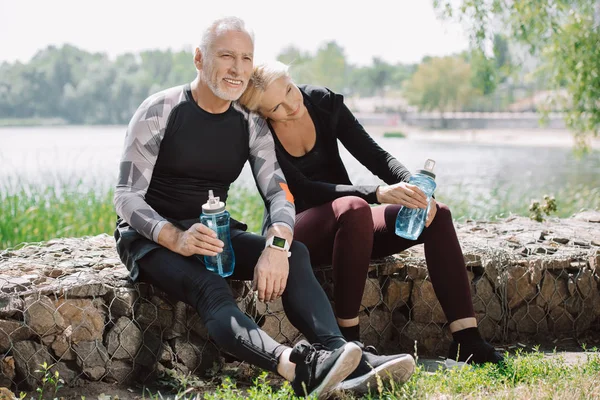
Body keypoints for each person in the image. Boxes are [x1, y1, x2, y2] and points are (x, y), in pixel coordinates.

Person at [112, 17, 366, 399]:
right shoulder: (159, 110)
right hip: (152, 239)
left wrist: (277, 245)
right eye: (226, 56)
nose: (238, 68)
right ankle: (297, 368)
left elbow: (278, 192)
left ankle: (340, 359)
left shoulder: (250, 122)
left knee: (295, 252)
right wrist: (176, 238)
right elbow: (126, 196)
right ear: (199, 58)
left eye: (246, 58)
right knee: (210, 287)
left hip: (215, 232)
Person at [239, 61, 504, 366]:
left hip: (351, 229)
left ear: (291, 78)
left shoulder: (323, 102)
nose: (291, 105)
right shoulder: (260, 133)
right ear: (263, 113)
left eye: (289, 89)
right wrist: (376, 193)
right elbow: (305, 190)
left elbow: (375, 155)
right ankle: (349, 343)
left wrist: (417, 192)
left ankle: (468, 340)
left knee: (439, 215)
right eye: (277, 107)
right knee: (355, 207)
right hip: (296, 235)